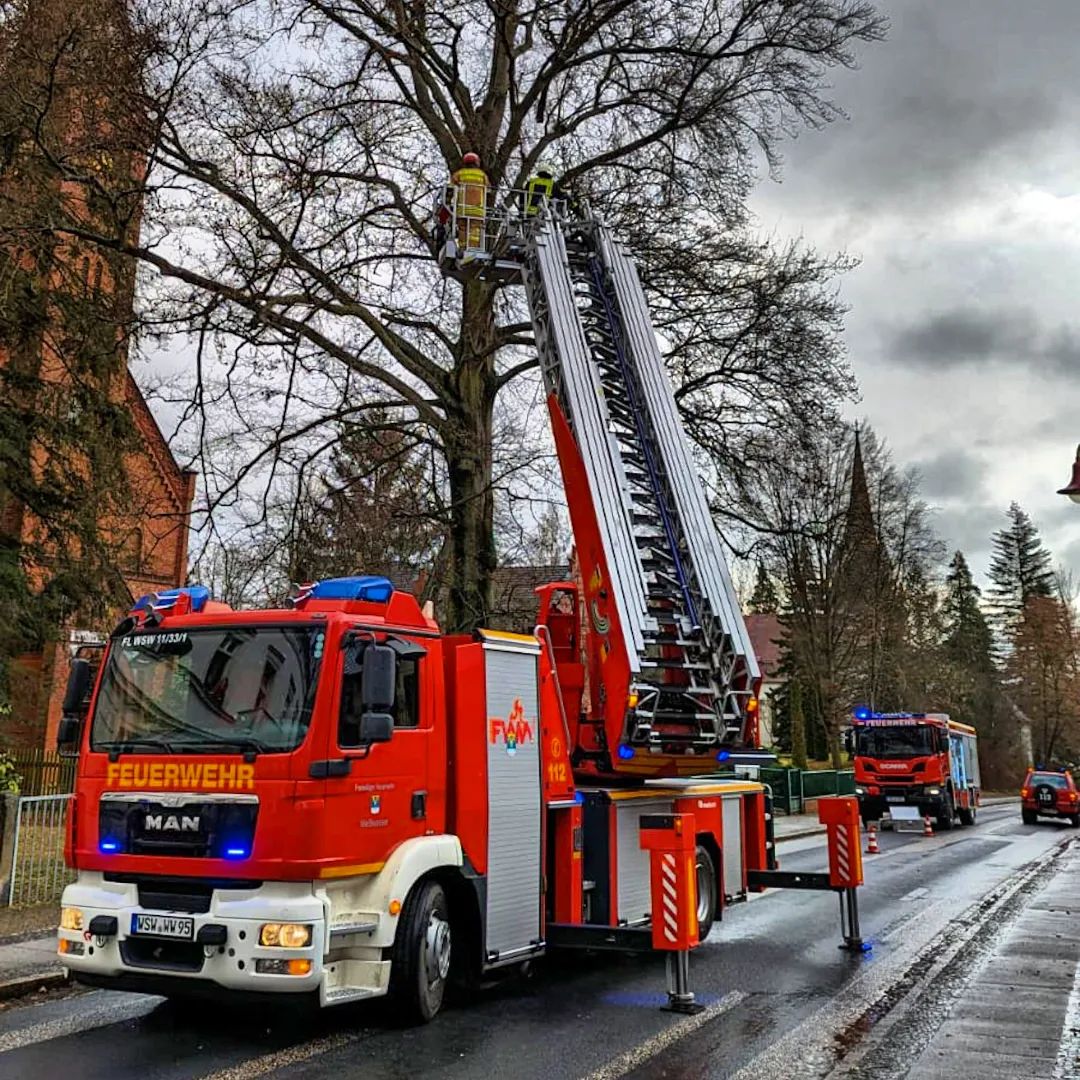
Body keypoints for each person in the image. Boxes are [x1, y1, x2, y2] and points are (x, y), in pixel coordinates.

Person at [449, 152, 488, 255]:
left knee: (463, 229)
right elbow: (488, 189)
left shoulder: (459, 174)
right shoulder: (482, 175)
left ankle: (463, 248)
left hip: (463, 209)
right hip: (478, 209)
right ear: (476, 162)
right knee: (475, 230)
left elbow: (450, 189)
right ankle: (473, 249)